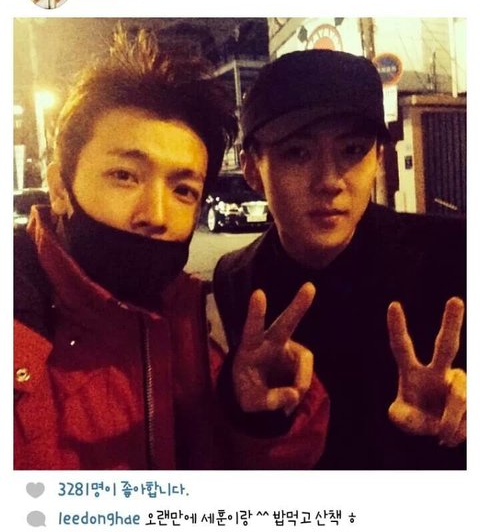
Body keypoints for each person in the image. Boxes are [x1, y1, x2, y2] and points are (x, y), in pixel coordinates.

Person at [14, 28, 329, 470]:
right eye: (125, 176)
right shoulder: (20, 336)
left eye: (183, 189)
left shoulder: (186, 329)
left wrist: (253, 416)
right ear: (60, 188)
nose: (156, 214)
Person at [213, 49, 466, 470]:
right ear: (252, 170)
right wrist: (245, 408)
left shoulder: (452, 253)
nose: (329, 181)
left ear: (378, 159)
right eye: (297, 153)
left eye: (352, 150)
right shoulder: (237, 278)